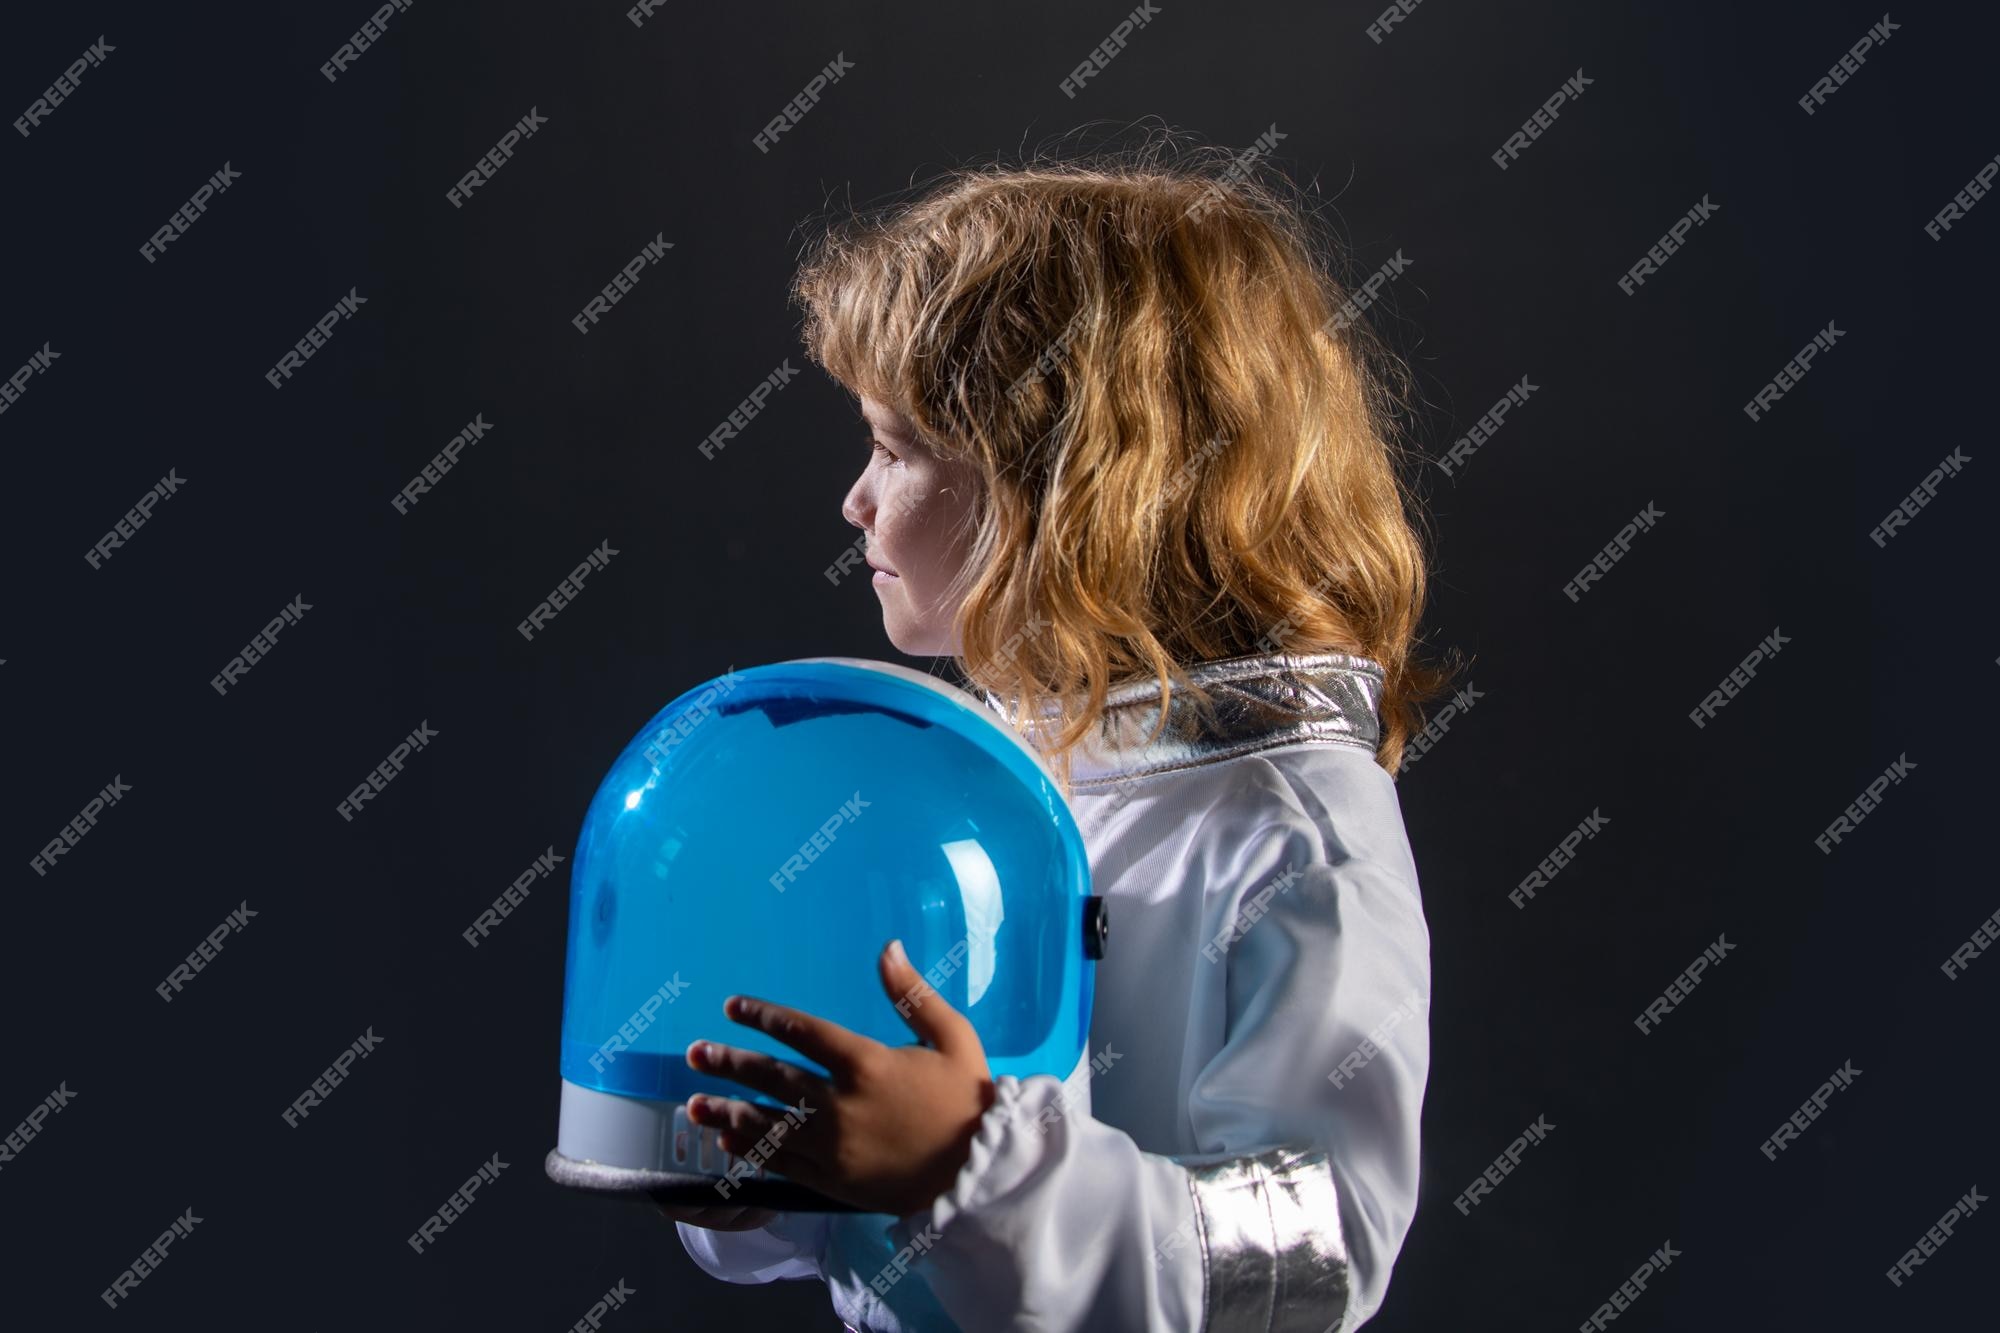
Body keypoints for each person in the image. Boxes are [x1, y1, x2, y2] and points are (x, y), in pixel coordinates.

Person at [662, 142, 1456, 1332]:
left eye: (894, 447)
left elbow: (1308, 1259)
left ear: (1075, 483)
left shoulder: (1290, 839)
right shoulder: (991, 795)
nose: (855, 499)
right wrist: (781, 1173)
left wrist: (979, 1168)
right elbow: (888, 1208)